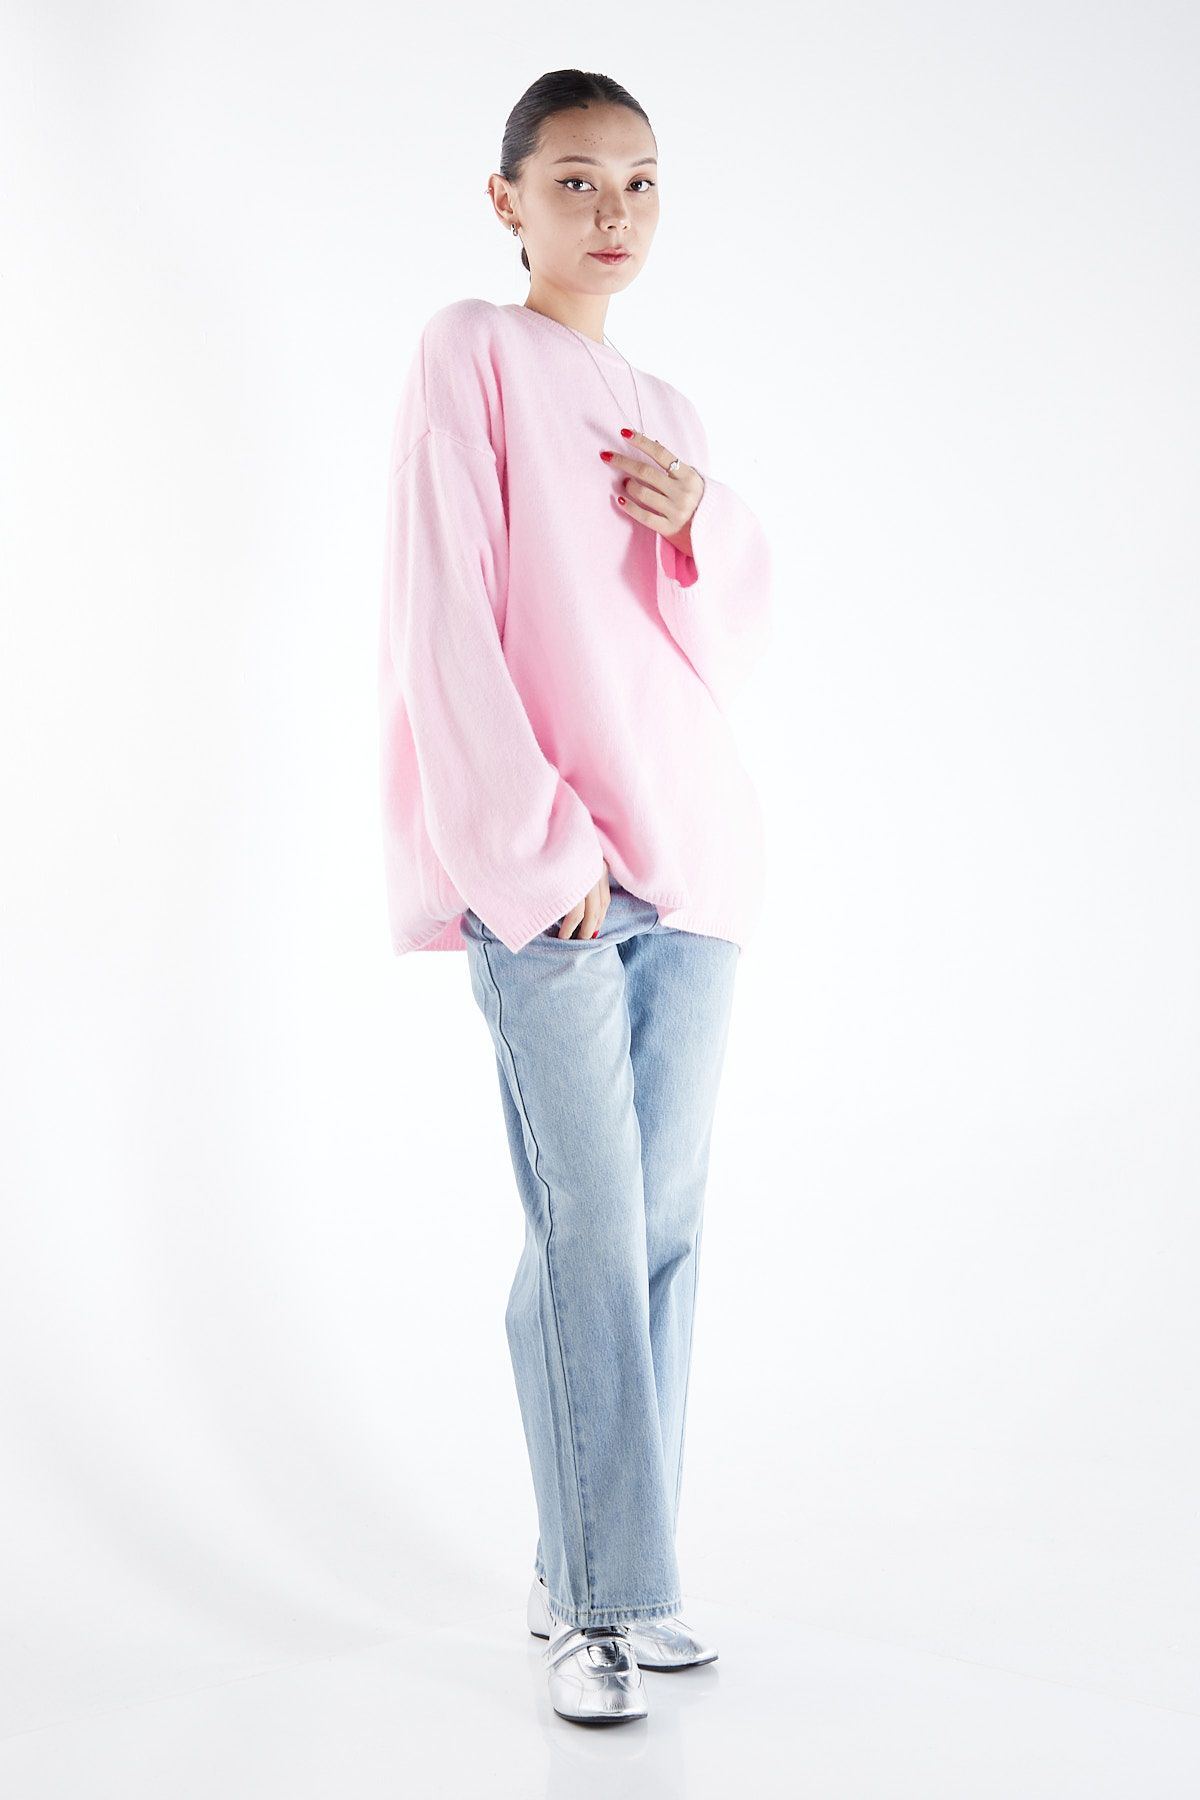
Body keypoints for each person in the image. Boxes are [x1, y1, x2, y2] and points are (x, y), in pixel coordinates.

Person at [377, 68, 773, 1727]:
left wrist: (710, 522)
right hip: (553, 874)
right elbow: (442, 611)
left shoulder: (666, 407)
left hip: (694, 864)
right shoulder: (470, 350)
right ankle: (602, 1602)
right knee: (590, 1231)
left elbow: (718, 643)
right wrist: (536, 852)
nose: (614, 212)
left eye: (641, 182)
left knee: (657, 1234)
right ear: (509, 201)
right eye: (578, 181)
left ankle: (608, 1567)